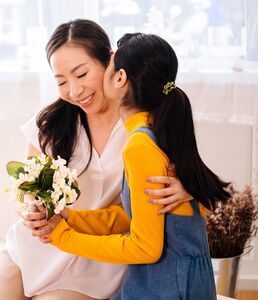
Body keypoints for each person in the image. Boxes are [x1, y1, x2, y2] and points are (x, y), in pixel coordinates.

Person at [0, 20, 192, 300]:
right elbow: (25, 191)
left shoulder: (143, 129)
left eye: (81, 74)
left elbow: (194, 185)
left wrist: (188, 190)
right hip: (38, 245)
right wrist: (31, 213)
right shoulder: (50, 124)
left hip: (99, 260)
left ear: (111, 61)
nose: (74, 91)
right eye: (62, 82)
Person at [37, 33, 231, 299]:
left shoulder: (139, 145)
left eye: (110, 64)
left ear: (120, 78)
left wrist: (64, 238)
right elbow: (135, 216)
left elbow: (146, 248)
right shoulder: (155, 129)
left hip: (169, 286)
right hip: (170, 280)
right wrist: (72, 219)